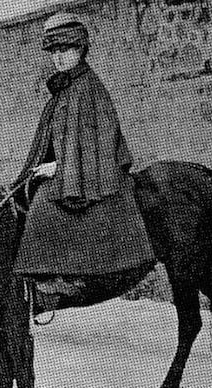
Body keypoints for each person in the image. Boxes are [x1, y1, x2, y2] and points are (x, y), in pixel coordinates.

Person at [12, 12, 154, 288]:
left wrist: (59, 167)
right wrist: (47, 164)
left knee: (45, 203)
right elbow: (57, 139)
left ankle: (58, 278)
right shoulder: (66, 87)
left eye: (65, 49)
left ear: (81, 49)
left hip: (93, 173)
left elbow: (99, 144)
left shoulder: (90, 88)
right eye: (54, 51)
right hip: (69, 169)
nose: (59, 57)